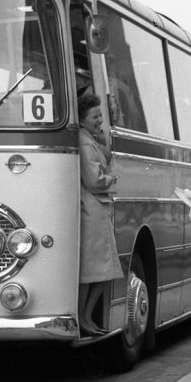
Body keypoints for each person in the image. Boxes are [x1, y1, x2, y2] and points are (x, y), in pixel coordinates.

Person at [76, 93, 124, 336]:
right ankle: (84, 317)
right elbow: (94, 179)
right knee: (94, 271)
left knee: (101, 271)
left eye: (100, 115)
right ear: (82, 119)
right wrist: (111, 178)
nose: (100, 120)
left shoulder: (88, 139)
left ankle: (85, 316)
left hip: (96, 208)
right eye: (95, 116)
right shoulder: (84, 142)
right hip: (92, 208)